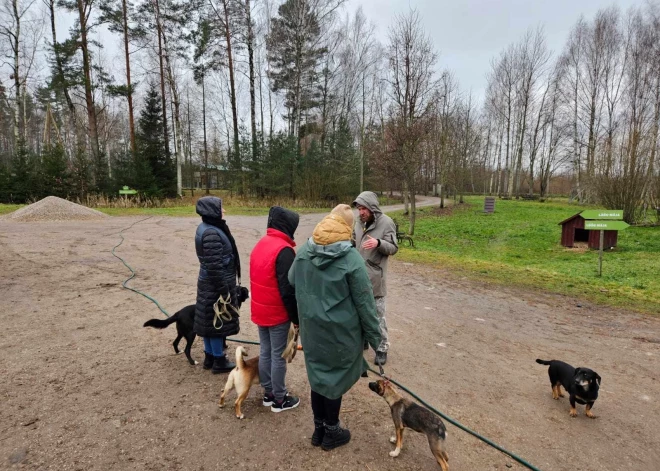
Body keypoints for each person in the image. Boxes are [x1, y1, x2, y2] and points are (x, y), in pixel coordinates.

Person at [288, 204, 381, 451]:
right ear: (347, 227)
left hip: (312, 332)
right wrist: (376, 338)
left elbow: (290, 279)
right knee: (333, 381)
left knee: (318, 378)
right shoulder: (351, 258)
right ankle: (331, 431)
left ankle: (318, 429)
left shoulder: (304, 251)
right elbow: (365, 303)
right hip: (340, 334)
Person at [250, 206, 301, 413]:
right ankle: (279, 399)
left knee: (265, 351)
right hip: (276, 313)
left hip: (260, 310)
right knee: (279, 355)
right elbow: (288, 290)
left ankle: (269, 393)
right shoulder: (284, 251)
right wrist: (296, 318)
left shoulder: (261, 244)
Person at [194, 196, 242, 374]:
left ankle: (209, 356)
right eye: (221, 208)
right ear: (212, 211)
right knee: (217, 322)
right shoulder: (212, 233)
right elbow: (215, 266)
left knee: (208, 320)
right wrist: (224, 290)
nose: (224, 211)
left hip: (209, 283)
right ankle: (219, 360)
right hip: (215, 284)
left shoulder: (207, 228)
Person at [352, 191, 398, 366]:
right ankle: (363, 340)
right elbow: (354, 241)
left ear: (372, 207)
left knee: (377, 316)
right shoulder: (358, 222)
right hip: (357, 277)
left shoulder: (387, 223)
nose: (361, 212)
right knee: (357, 312)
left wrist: (378, 243)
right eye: (359, 208)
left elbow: (393, 247)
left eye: (364, 208)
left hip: (375, 278)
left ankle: (381, 348)